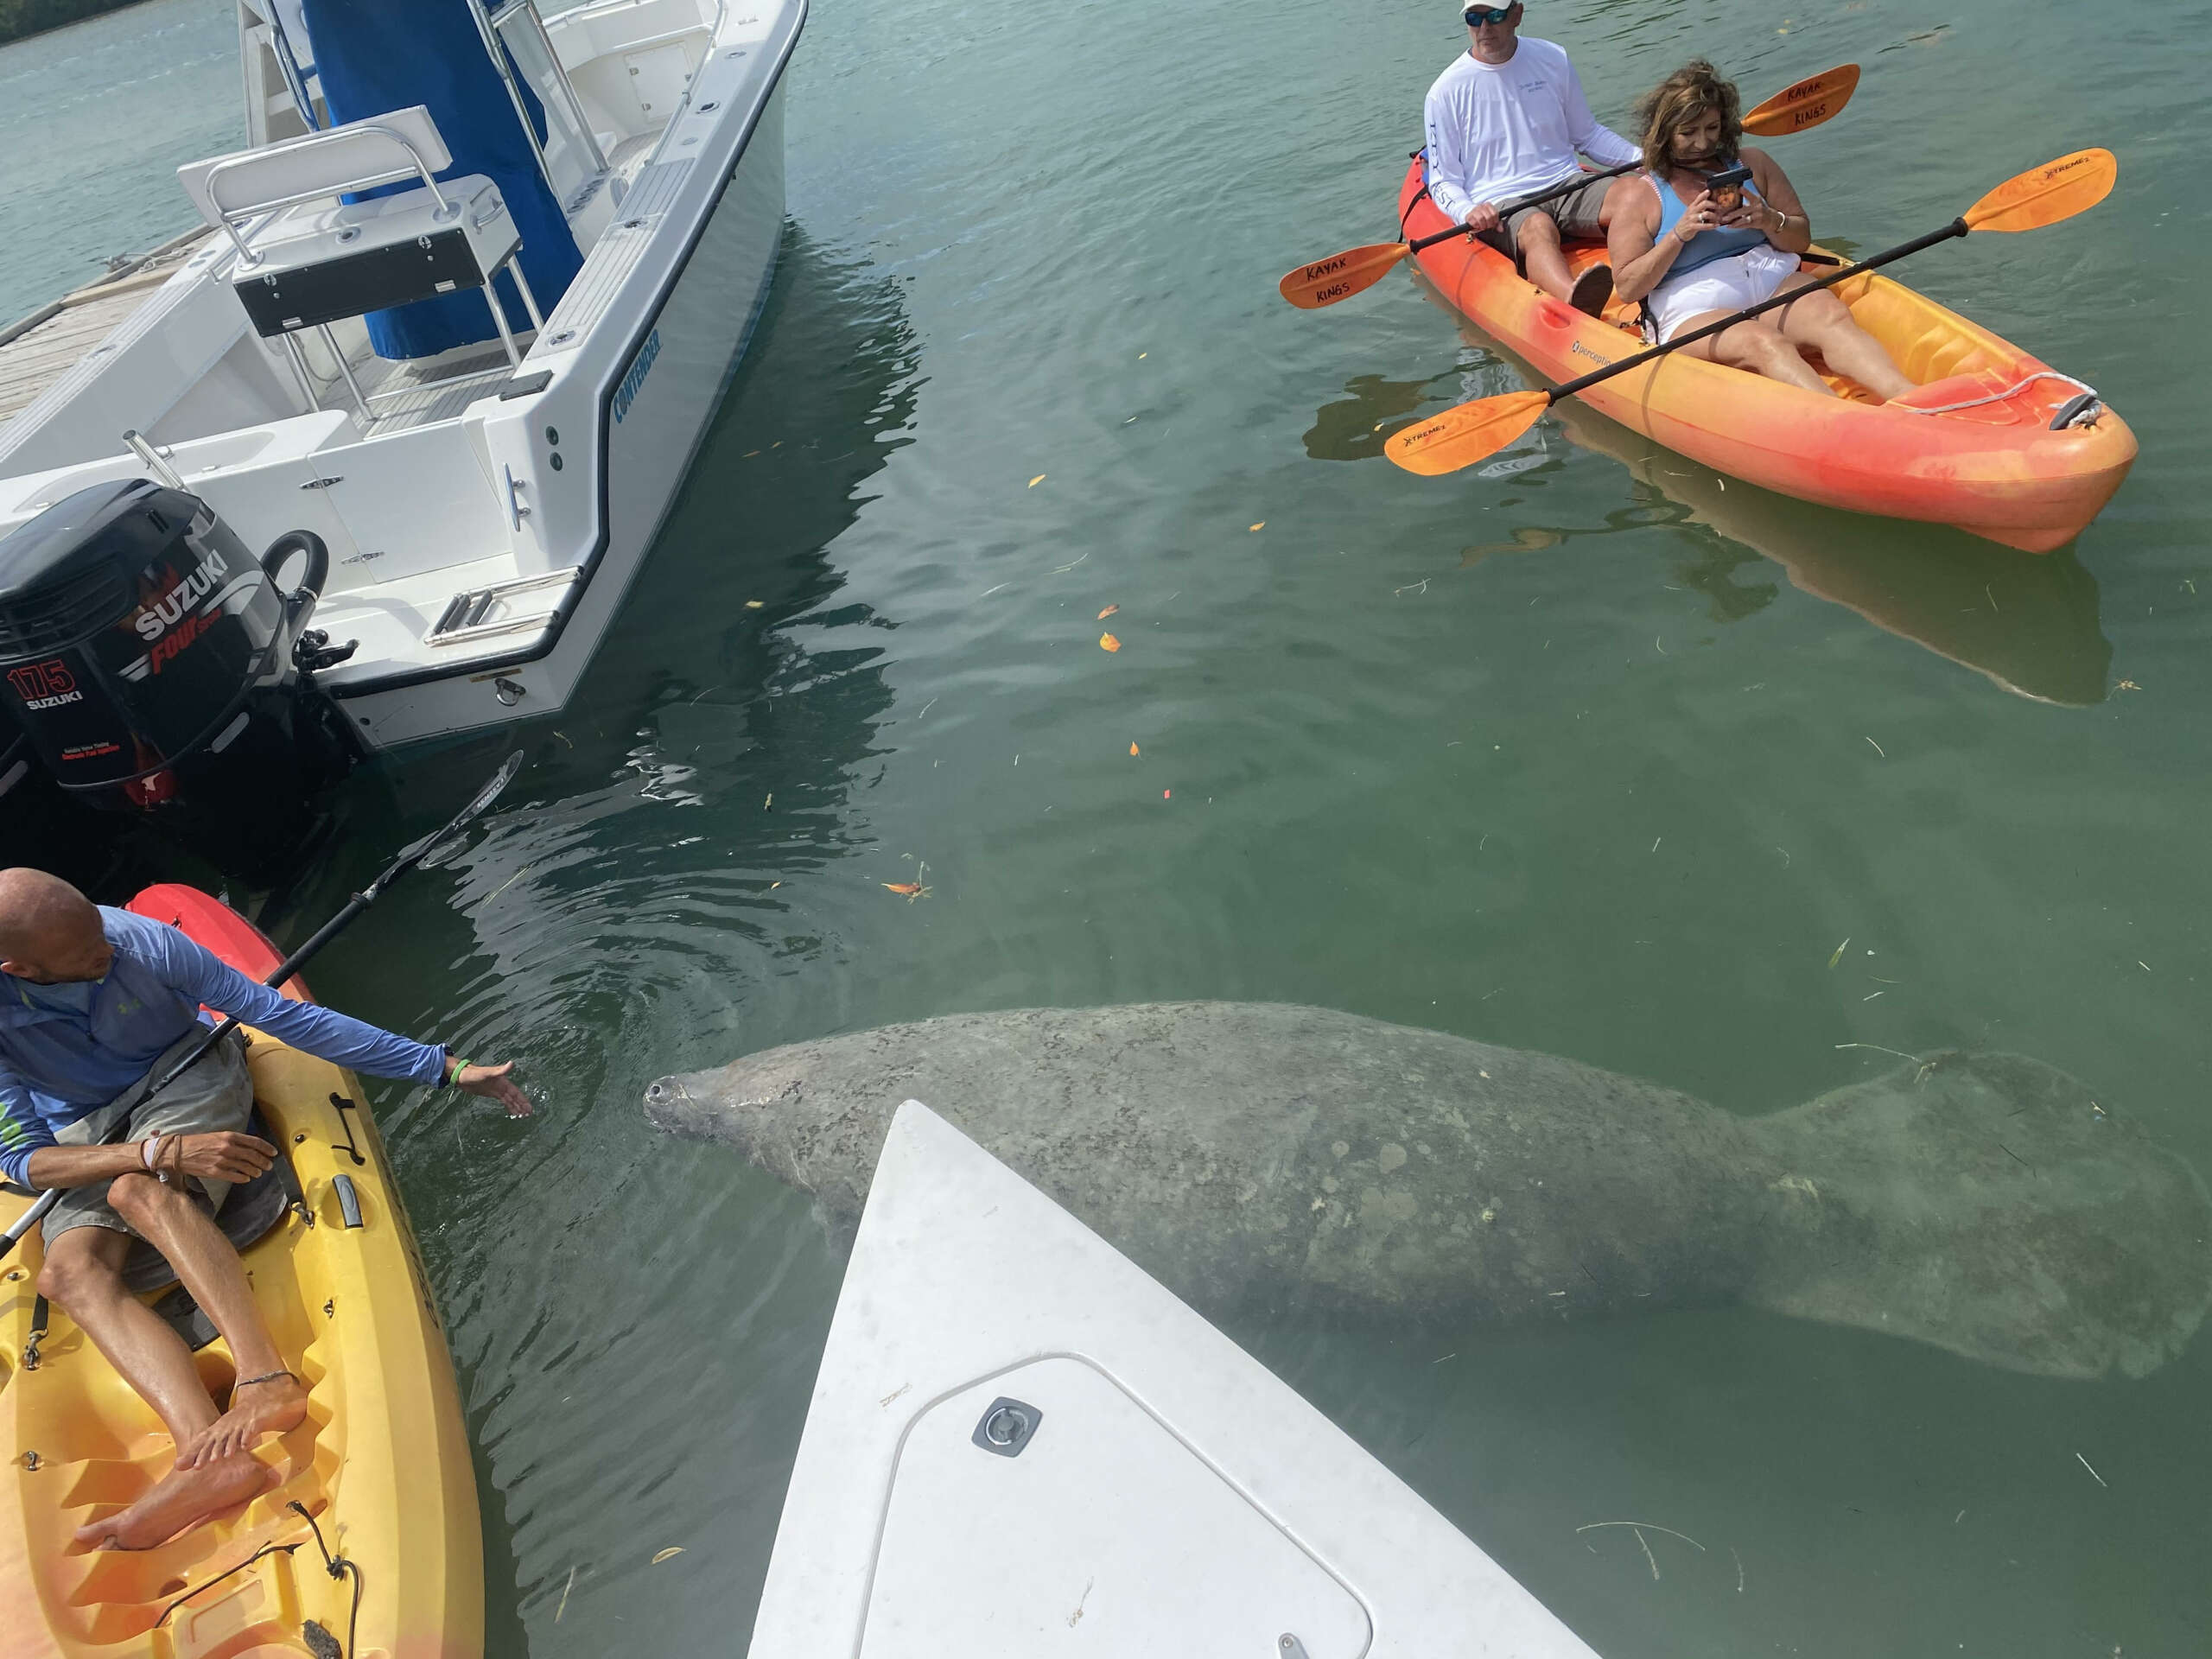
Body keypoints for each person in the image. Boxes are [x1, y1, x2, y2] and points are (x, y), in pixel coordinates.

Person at [0, 868, 530, 1551]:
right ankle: (207, 1461)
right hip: (86, 1127)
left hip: (184, 1072)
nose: (108, 949)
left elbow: (284, 1017)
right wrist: (154, 1151)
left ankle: (267, 1379)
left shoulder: (144, 943)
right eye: (86, 954)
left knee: (140, 1192)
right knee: (66, 1275)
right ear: (19, 968)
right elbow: (21, 1163)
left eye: (100, 931)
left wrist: (446, 1068)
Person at [1608, 60, 1916, 400]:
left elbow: (1800, 239)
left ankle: (1910, 399)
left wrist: (1769, 220)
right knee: (1764, 344)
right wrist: (1679, 234)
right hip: (1693, 304)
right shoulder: (1637, 193)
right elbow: (1627, 285)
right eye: (1688, 133)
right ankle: (1843, 422)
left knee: (1831, 318)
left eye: (1711, 128)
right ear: (1664, 134)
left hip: (1771, 277)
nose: (1702, 143)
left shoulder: (1753, 162)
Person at [1421, 2, 1641, 315]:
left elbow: (1587, 135)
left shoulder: (1552, 58)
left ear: (1517, 14)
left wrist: (1643, 157)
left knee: (1634, 192)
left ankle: (1637, 279)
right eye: (1474, 18)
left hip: (1566, 182)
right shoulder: (1444, 92)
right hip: (1500, 201)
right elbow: (1444, 181)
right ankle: (1574, 301)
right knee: (1538, 226)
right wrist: (1467, 210)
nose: (1484, 29)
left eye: (1495, 16)